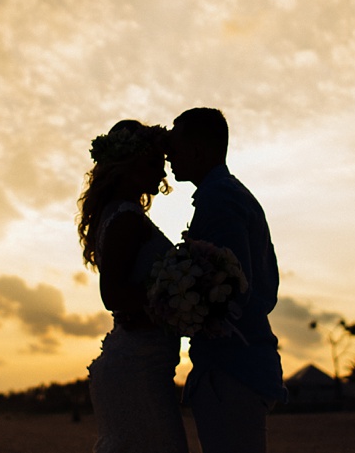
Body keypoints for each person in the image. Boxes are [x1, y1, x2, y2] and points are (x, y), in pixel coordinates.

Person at [167, 107, 286, 453]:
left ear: (198, 150)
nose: (169, 156)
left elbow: (232, 287)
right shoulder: (229, 193)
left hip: (233, 368)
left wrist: (178, 304)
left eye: (174, 146)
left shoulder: (219, 197)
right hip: (240, 364)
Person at [78, 120, 189, 453]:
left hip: (144, 363)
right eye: (155, 163)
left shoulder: (123, 214)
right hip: (136, 368)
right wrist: (178, 299)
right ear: (130, 165)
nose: (162, 173)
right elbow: (113, 295)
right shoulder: (125, 217)